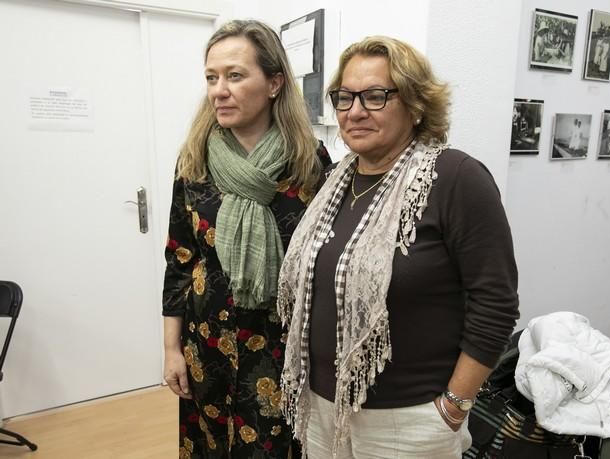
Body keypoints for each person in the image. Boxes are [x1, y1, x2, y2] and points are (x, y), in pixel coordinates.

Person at [278, 36, 519, 458]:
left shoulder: (456, 178)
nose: (354, 111)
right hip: (321, 408)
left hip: (408, 421)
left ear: (415, 102)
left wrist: (454, 407)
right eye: (345, 97)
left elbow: (495, 303)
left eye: (375, 96)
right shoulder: (335, 180)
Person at [162, 19, 330, 458]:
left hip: (281, 348)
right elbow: (179, 260)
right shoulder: (195, 160)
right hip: (207, 344)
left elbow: (322, 261)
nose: (219, 89)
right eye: (212, 77)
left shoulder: (309, 163)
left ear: (274, 82)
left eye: (235, 75)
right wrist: (170, 350)